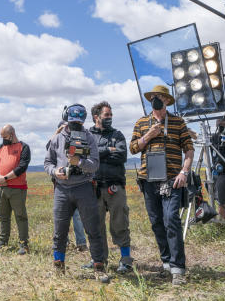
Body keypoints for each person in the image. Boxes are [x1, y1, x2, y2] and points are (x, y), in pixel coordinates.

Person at [129, 85, 194, 286]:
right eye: (153, 97)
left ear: (167, 100)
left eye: (160, 97)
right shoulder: (141, 122)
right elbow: (132, 148)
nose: (156, 99)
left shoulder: (177, 122)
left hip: (172, 179)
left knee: (171, 220)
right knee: (157, 222)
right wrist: (148, 135)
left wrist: (185, 172)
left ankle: (178, 269)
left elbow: (189, 150)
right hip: (148, 180)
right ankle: (166, 262)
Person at [44, 104, 110, 283]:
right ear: (66, 119)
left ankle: (99, 267)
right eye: (72, 123)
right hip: (62, 189)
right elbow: (48, 162)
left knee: (93, 229)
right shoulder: (57, 138)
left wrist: (80, 162)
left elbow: (95, 164)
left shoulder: (89, 137)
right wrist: (54, 171)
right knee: (60, 231)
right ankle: (58, 266)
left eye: (78, 123)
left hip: (84, 187)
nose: (75, 126)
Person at [89, 101, 133, 273]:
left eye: (110, 115)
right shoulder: (88, 135)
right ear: (96, 117)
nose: (110, 118)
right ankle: (99, 260)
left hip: (115, 186)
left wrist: (98, 154)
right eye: (106, 115)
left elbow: (122, 155)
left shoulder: (118, 134)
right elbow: (87, 156)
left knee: (120, 223)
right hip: (94, 187)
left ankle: (126, 260)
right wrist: (108, 150)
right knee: (96, 226)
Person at [0, 125, 31, 254]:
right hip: (1, 188)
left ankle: (23, 245)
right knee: (3, 217)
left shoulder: (24, 147)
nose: (3, 139)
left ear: (12, 134)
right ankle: (2, 244)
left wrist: (6, 178)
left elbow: (22, 167)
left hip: (17, 188)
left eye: (5, 137)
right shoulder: (1, 147)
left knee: (20, 216)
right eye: (2, 137)